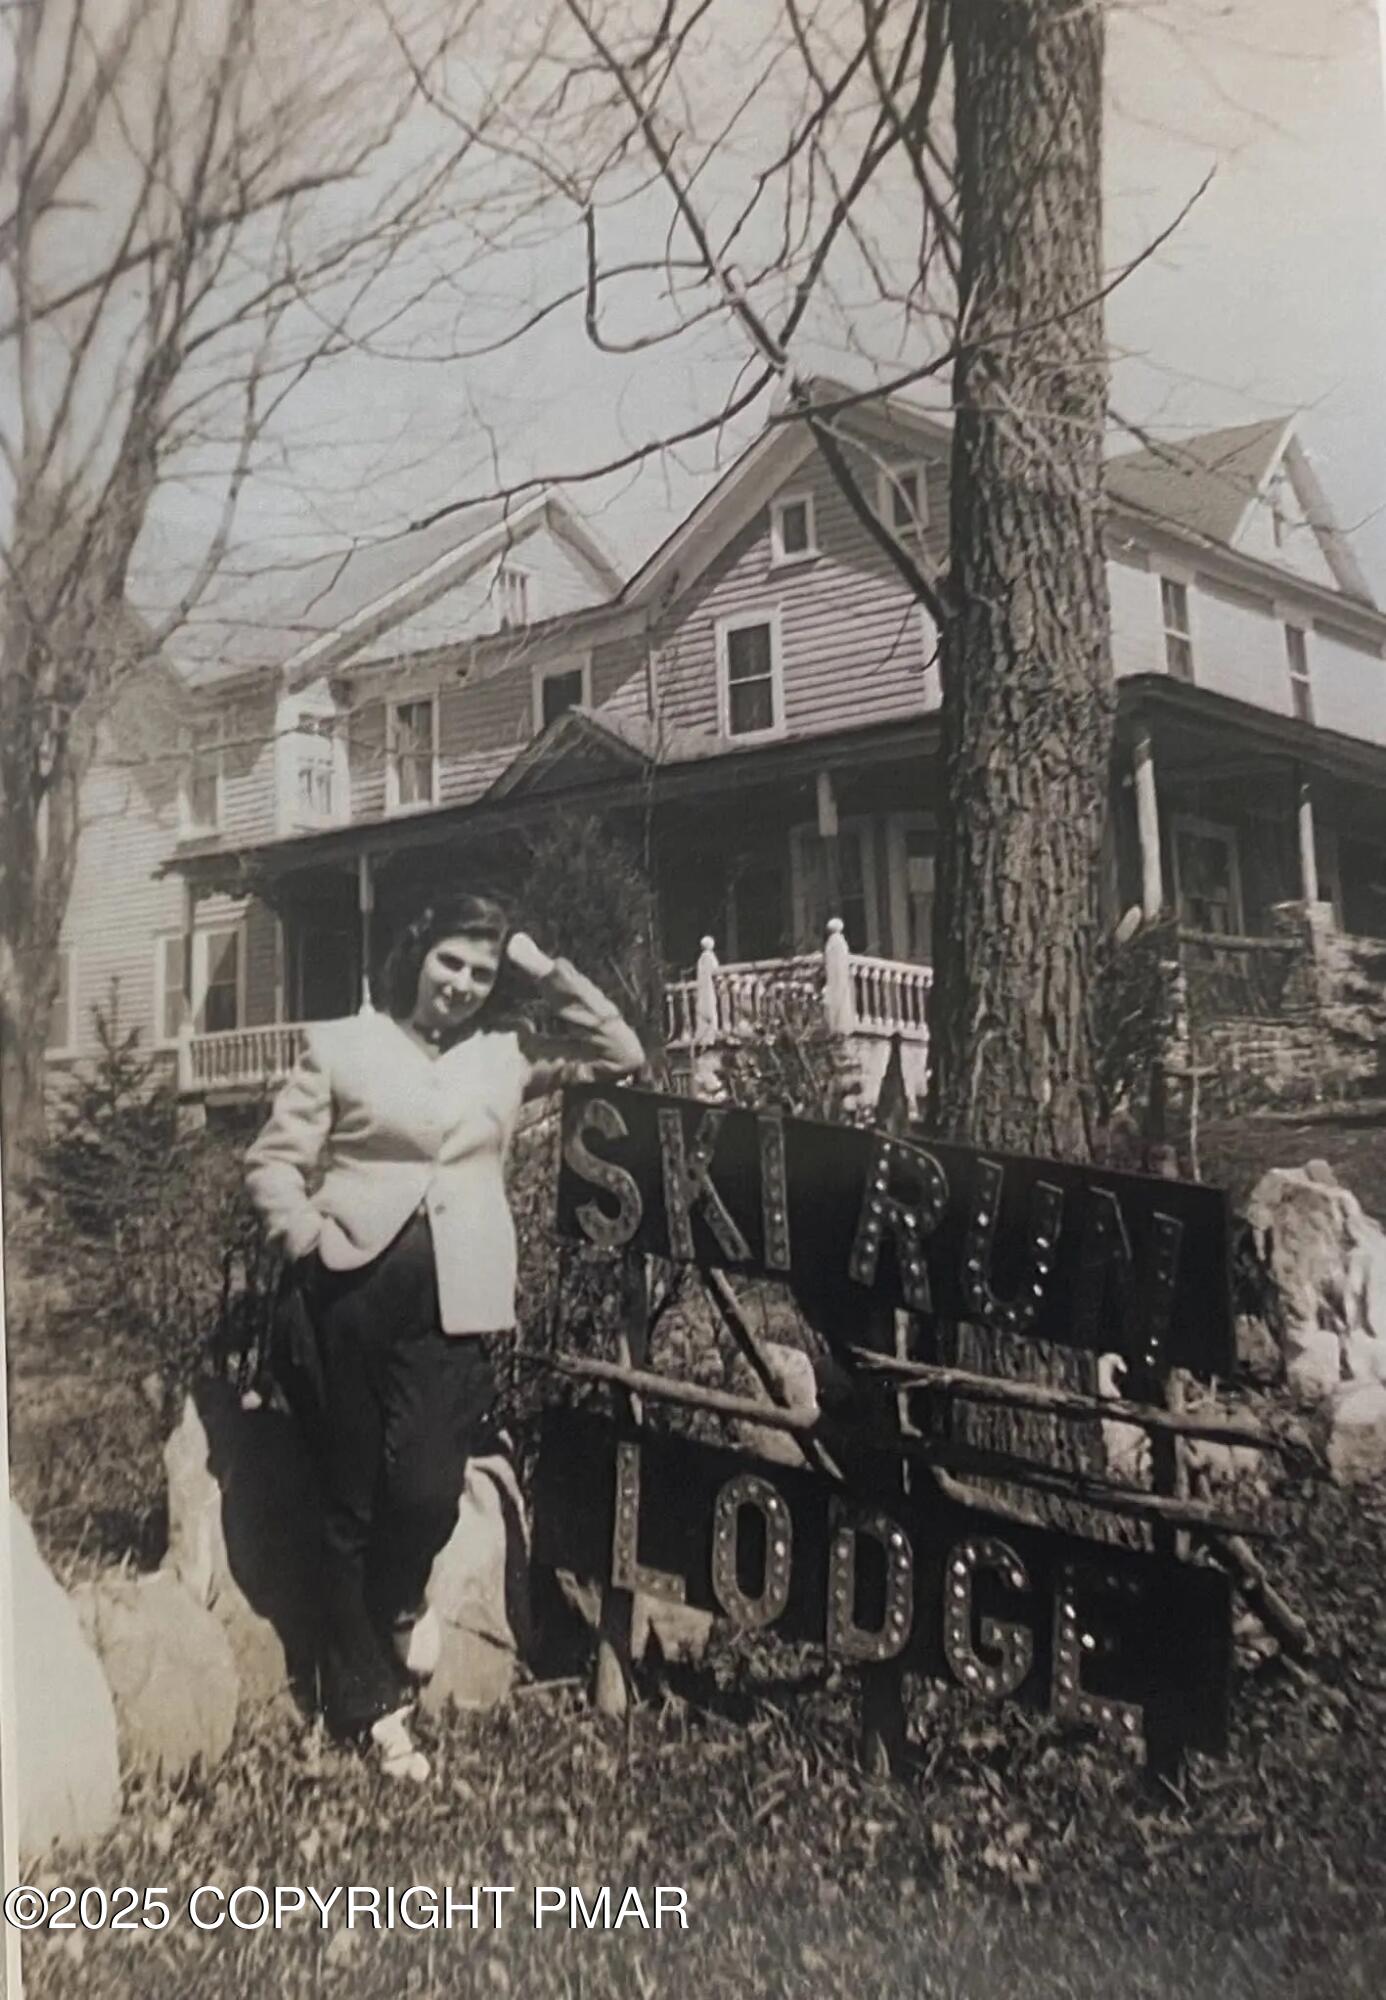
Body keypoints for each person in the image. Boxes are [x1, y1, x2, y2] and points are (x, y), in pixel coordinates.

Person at [244, 894, 644, 1781]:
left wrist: (543, 966)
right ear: (416, 955)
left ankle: (396, 1599)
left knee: (427, 1487)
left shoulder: (507, 1056)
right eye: (450, 962)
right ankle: (369, 1709)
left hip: (458, 1298)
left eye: (483, 973)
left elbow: (625, 1053)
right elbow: (273, 1158)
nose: (462, 985)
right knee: (347, 1500)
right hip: (344, 1296)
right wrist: (303, 1235)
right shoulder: (344, 1042)